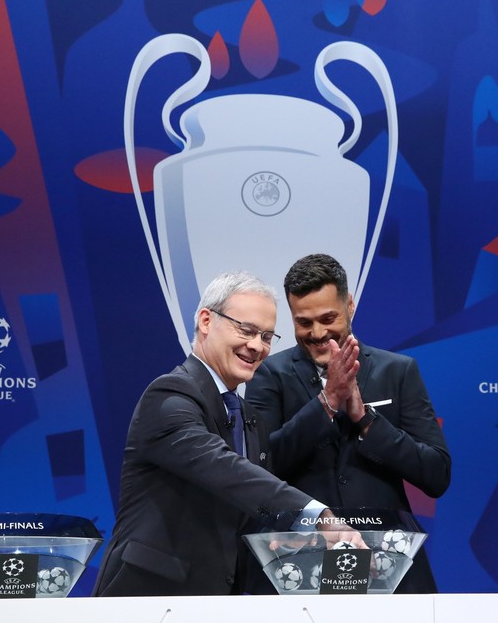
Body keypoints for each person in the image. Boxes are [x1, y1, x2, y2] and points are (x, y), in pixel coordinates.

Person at [93, 271, 358, 597]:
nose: (257, 346)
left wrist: (290, 535)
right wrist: (317, 515)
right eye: (246, 330)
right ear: (206, 321)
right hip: (146, 598)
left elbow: (245, 508)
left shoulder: (249, 417)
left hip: (217, 604)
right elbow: (224, 470)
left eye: (266, 336)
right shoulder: (170, 395)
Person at [246, 253, 451, 593]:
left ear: (350, 306)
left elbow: (436, 474)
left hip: (386, 564)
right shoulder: (269, 374)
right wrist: (326, 403)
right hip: (299, 565)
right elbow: (260, 467)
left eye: (328, 318)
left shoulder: (397, 371)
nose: (318, 333)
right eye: (304, 322)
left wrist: (365, 419)